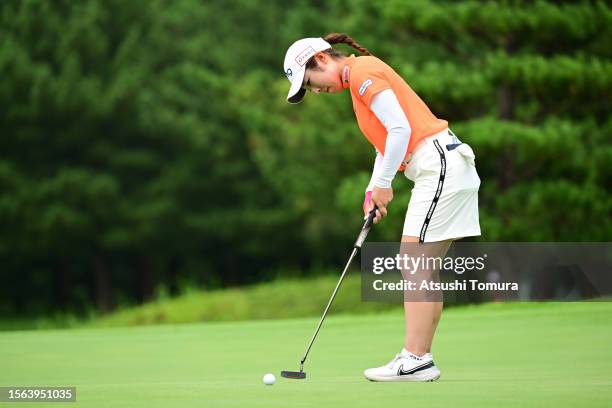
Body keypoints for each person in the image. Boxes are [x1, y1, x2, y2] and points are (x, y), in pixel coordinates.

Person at [283, 33, 481, 382]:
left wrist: (385, 185)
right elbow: (385, 142)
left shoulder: (362, 74)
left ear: (323, 60)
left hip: (439, 166)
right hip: (444, 166)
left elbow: (401, 130)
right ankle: (420, 358)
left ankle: (415, 358)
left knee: (414, 261)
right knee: (422, 265)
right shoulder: (358, 82)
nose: (315, 92)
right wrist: (373, 187)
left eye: (311, 83)